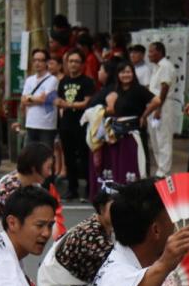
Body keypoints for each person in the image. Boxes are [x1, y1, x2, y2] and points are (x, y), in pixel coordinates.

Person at [0, 141, 54, 245]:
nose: (50, 173)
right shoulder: (7, 190)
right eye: (48, 168)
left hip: (2, 241)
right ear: (34, 168)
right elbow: (22, 226)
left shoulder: (30, 183)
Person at [98, 62, 159, 187]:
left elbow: (156, 101)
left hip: (133, 132)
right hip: (117, 133)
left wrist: (144, 115)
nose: (126, 75)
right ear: (118, 75)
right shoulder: (116, 90)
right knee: (118, 164)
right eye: (122, 72)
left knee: (134, 164)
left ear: (133, 73)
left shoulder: (139, 89)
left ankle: (137, 189)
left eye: (128, 72)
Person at [55, 50, 95, 200]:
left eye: (76, 61)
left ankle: (89, 189)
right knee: (69, 158)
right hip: (66, 124)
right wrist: (62, 104)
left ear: (82, 64)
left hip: (82, 124)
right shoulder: (63, 81)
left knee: (84, 158)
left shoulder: (87, 82)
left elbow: (87, 102)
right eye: (70, 61)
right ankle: (72, 189)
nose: (73, 64)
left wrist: (68, 104)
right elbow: (59, 101)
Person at [146, 42, 178, 177]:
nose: (149, 55)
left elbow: (164, 88)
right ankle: (160, 168)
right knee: (155, 138)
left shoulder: (165, 66)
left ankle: (164, 172)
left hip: (162, 106)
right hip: (154, 106)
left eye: (151, 51)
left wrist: (158, 108)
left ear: (159, 52)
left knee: (163, 139)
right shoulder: (156, 67)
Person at [19, 48, 58, 147]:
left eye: (40, 60)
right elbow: (23, 100)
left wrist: (30, 98)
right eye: (35, 60)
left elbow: (44, 99)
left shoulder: (52, 79)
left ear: (47, 63)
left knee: (46, 156)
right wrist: (36, 99)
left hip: (46, 125)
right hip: (31, 123)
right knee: (29, 156)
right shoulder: (29, 80)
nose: (37, 63)